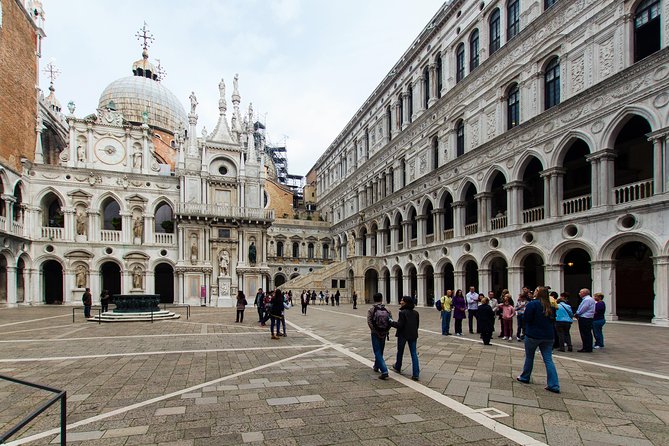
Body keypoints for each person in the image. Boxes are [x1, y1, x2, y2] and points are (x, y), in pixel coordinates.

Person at [517, 286, 560, 393]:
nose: (533, 292)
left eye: (535, 290)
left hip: (533, 335)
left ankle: (525, 377)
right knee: (548, 359)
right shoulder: (551, 305)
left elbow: (527, 318)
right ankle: (554, 384)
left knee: (529, 356)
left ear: (539, 293)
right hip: (548, 336)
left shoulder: (533, 304)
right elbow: (553, 318)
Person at [391, 296, 420, 380]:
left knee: (400, 351)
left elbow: (399, 325)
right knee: (414, 353)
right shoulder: (416, 313)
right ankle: (416, 373)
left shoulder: (402, 312)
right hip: (413, 335)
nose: (400, 302)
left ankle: (398, 366)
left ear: (406, 302)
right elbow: (417, 325)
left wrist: (391, 322)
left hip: (402, 335)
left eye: (402, 300)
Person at [368, 292, 391, 380]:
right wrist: (386, 330)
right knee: (380, 350)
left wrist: (374, 330)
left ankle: (384, 370)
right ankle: (376, 365)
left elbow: (369, 321)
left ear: (374, 299)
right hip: (384, 332)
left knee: (377, 351)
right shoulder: (387, 309)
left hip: (375, 332)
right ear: (382, 299)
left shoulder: (371, 309)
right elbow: (390, 321)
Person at [575, 288, 595, 352]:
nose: (579, 293)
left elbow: (583, 308)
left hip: (585, 318)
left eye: (580, 292)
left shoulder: (587, 300)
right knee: (587, 333)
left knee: (585, 333)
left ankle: (587, 347)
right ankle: (587, 346)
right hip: (587, 318)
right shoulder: (589, 299)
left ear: (584, 293)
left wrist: (577, 313)